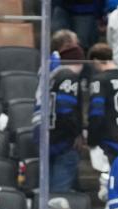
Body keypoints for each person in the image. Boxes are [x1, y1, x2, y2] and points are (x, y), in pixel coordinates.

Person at [35, 31, 84, 192]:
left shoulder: (49, 65)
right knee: (58, 194)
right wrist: (77, 133)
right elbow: (65, 109)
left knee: (48, 191)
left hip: (45, 132)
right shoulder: (65, 72)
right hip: (61, 136)